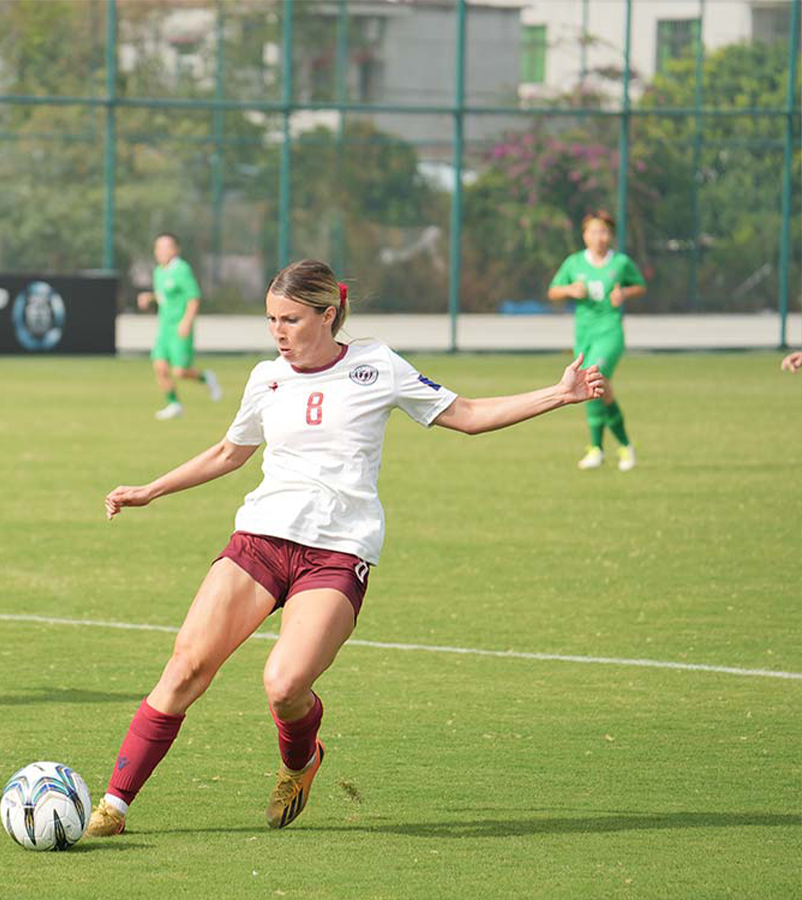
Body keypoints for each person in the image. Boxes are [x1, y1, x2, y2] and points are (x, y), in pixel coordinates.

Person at [85, 259, 605, 837]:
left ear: (328, 314)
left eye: (290, 319)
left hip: (334, 554)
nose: (278, 332)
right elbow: (229, 454)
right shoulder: (266, 378)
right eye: (270, 320)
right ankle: (113, 806)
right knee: (185, 668)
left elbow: (469, 415)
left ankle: (300, 763)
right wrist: (150, 490)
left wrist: (559, 395)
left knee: (284, 687)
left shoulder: (377, 366)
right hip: (259, 540)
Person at [546, 210, 646, 471]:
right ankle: (609, 448)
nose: (598, 237)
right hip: (584, 334)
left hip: (610, 331)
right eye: (593, 231)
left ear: (610, 235)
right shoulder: (574, 263)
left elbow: (640, 285)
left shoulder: (620, 263)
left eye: (603, 231)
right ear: (584, 235)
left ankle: (608, 447)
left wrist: (624, 293)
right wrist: (570, 290)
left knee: (594, 375)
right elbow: (553, 291)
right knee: (597, 388)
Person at [138, 233, 222, 420]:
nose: (161, 251)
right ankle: (174, 404)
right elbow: (164, 295)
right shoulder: (159, 271)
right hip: (164, 328)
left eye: (166, 247)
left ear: (176, 249)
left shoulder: (182, 269)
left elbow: (193, 297)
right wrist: (149, 297)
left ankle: (206, 378)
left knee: (180, 371)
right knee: (159, 366)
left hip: (179, 327)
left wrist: (186, 322)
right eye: (158, 248)